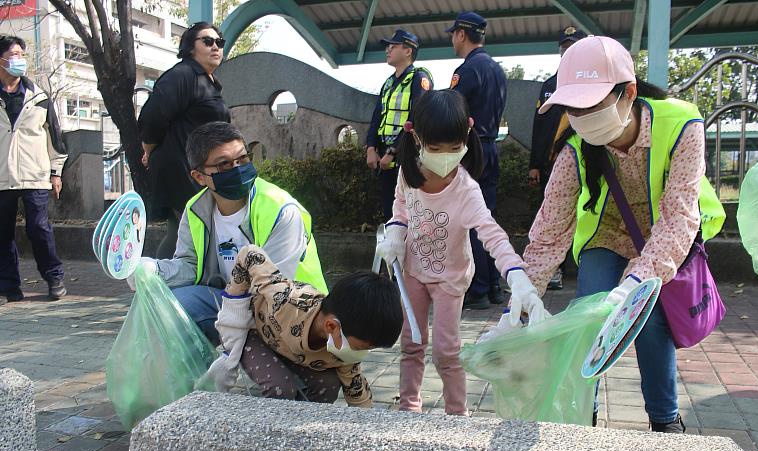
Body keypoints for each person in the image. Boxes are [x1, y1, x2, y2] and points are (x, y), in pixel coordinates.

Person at [522, 36, 726, 433]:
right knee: (588, 315)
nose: (581, 117)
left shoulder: (682, 124)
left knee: (650, 320)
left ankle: (665, 422)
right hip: (607, 234)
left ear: (628, 92)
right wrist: (526, 291)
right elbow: (551, 227)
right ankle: (583, 416)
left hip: (665, 236)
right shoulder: (574, 147)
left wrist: (639, 276)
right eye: (573, 108)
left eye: (591, 104)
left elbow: (680, 215)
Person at [377, 90, 546, 415]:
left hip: (450, 279)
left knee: (446, 351)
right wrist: (396, 231)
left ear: (467, 134)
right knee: (411, 343)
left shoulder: (466, 191)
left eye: (454, 149)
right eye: (436, 149)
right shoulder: (408, 171)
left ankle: (457, 413)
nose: (444, 157)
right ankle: (409, 406)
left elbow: (492, 235)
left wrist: (517, 275)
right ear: (416, 137)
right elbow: (401, 205)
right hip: (412, 269)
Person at [126, 122, 327, 345]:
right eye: (223, 165)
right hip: (232, 301)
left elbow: (275, 288)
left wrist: (232, 331)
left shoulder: (279, 209)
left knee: (268, 369)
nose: (237, 169)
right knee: (167, 306)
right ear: (199, 176)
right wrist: (154, 271)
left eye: (242, 159)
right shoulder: (196, 210)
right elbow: (190, 266)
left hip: (293, 311)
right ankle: (189, 378)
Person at [203, 245, 403, 407]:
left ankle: (297, 430)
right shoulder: (286, 301)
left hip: (291, 350)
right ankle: (271, 435)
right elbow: (249, 254)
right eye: (361, 348)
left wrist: (367, 435)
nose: (360, 355)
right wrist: (234, 312)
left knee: (329, 385)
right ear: (332, 326)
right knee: (279, 386)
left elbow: (359, 397)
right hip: (256, 335)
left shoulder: (344, 354)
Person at [138, 22, 231, 259]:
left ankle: (161, 283)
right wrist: (148, 150)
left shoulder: (208, 81)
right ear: (191, 47)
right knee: (187, 231)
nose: (215, 47)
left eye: (219, 43)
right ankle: (158, 284)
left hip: (200, 168)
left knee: (185, 232)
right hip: (180, 166)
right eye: (207, 42)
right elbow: (152, 116)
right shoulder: (183, 75)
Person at [447, 12, 508, 309]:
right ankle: (494, 285)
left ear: (461, 34)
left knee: (469, 219)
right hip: (491, 147)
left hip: (471, 150)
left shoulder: (468, 70)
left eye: (453, 33)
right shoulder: (496, 69)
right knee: (488, 218)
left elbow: (451, 113)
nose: (451, 39)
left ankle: (479, 289)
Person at [0, 35, 68, 302]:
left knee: (38, 228)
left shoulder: (39, 98)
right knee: (2, 235)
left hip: (36, 175)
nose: (18, 60)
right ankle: (9, 287)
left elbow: (56, 139)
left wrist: (56, 172)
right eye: (12, 54)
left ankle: (54, 277)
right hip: (2, 177)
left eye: (21, 55)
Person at [527, 26, 587, 291]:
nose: (566, 51)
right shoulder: (550, 85)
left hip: (583, 162)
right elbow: (539, 127)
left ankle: (587, 267)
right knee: (552, 217)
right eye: (564, 47)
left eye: (572, 46)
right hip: (551, 164)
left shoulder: (590, 82)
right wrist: (535, 164)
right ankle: (554, 271)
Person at [366, 29, 432, 220]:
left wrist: (393, 151)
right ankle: (392, 250)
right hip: (384, 160)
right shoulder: (388, 83)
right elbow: (377, 116)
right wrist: (371, 147)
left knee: (411, 213)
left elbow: (416, 119)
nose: (388, 50)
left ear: (408, 51)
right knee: (390, 212)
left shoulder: (420, 78)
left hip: (407, 158)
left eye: (393, 46)